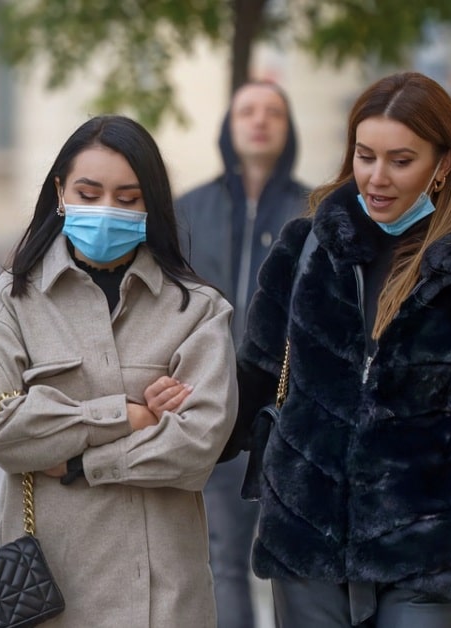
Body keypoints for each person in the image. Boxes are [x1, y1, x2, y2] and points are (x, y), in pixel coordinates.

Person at [222, 71, 451, 627]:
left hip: (430, 565)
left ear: (443, 164)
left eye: (401, 160)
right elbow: (257, 376)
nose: (376, 177)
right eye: (365, 156)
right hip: (307, 551)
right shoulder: (304, 250)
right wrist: (181, 412)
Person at [0, 114, 238, 627]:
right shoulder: (12, 302)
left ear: (151, 204)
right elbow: (1, 431)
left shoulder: (197, 310)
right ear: (60, 193)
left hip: (164, 600)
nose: (106, 210)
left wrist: (78, 465)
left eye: (127, 198)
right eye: (88, 194)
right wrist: (131, 416)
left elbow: (197, 444)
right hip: (50, 596)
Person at [176, 80, 309, 628]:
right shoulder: (188, 210)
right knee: (222, 559)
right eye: (247, 111)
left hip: (293, 414)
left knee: (297, 561)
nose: (260, 121)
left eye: (273, 112)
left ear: (289, 128)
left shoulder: (316, 210)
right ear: (229, 127)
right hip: (214, 408)